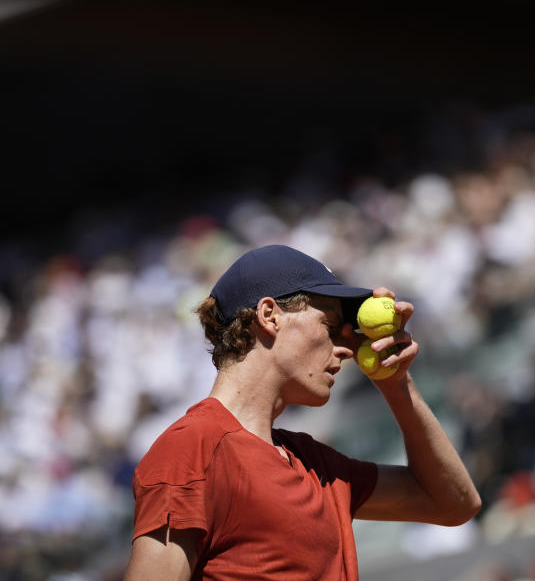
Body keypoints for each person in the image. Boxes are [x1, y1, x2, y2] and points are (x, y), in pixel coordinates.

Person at [123, 245, 481, 581]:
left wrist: (395, 382)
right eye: (331, 328)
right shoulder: (191, 450)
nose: (346, 350)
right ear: (269, 316)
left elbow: (453, 503)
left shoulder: (313, 463)